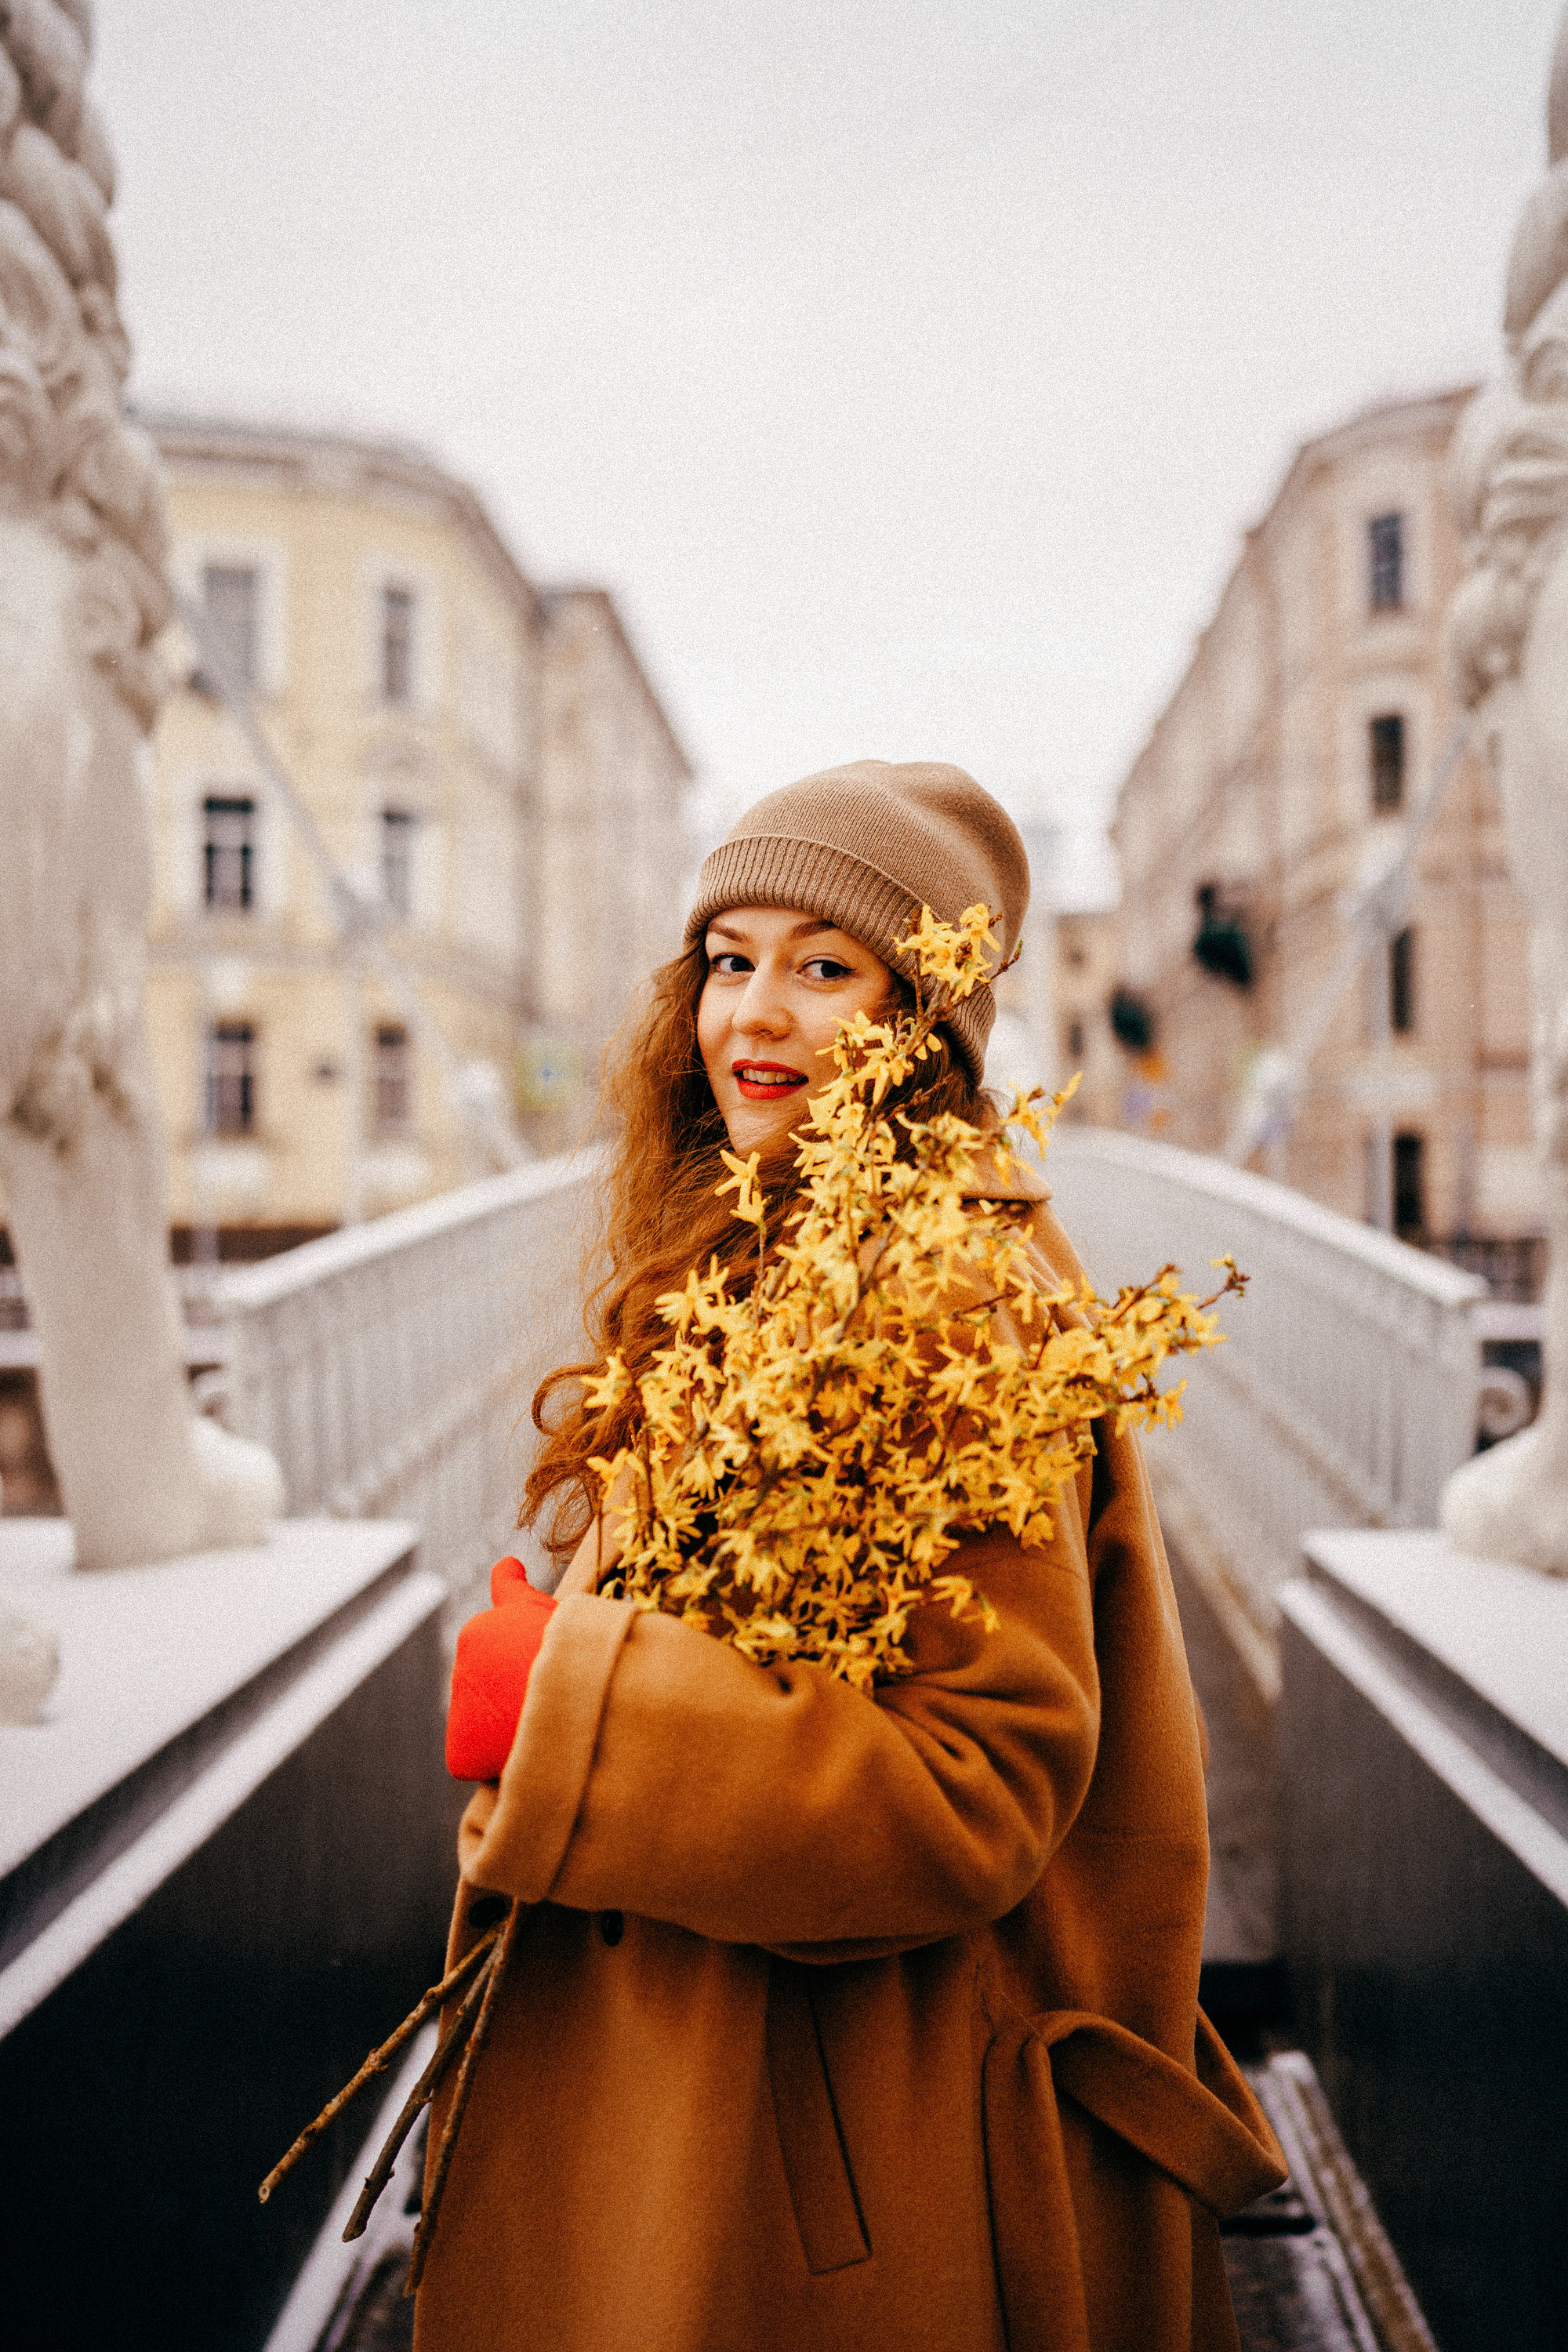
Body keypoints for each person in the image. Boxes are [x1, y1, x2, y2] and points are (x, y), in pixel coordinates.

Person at [417, 760, 1285, 2352]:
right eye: (730, 960)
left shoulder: (947, 1291)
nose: (756, 1016)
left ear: (923, 1026)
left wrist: (569, 1703)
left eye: (826, 970)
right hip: (776, 2091)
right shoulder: (796, 1235)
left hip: (847, 2173)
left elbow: (978, 1785)